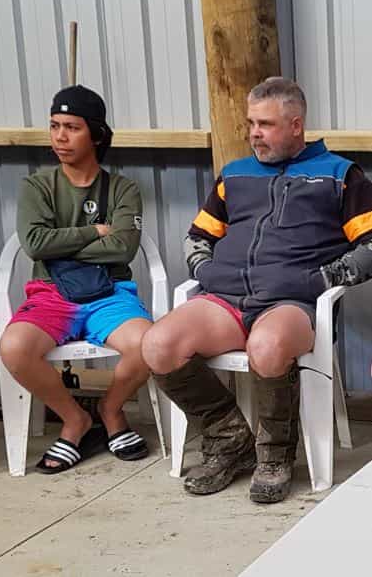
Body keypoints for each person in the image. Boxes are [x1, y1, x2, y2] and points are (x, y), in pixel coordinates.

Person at [141, 77, 372, 503]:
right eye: (251, 123)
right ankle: (229, 438)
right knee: (158, 345)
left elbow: (370, 247)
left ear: (296, 125)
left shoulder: (340, 175)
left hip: (292, 303)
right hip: (226, 300)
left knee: (266, 347)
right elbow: (197, 237)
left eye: (265, 124)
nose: (254, 134)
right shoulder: (234, 174)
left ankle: (274, 455)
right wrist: (207, 271)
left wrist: (323, 280)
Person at [0, 85, 153, 474]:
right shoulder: (37, 186)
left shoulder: (122, 188)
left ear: (96, 134)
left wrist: (60, 246)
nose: (60, 137)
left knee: (148, 345)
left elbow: (123, 249)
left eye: (72, 127)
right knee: (15, 347)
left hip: (109, 293)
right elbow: (34, 244)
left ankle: (110, 409)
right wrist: (93, 232)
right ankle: (74, 419)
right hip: (52, 293)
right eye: (54, 126)